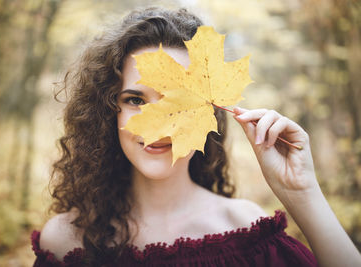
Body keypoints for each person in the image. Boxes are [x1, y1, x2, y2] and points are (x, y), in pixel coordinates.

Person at [31, 6, 361, 267]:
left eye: (176, 98)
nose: (158, 125)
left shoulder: (249, 231)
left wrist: (303, 192)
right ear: (108, 112)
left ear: (210, 109)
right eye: (135, 100)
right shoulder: (64, 241)